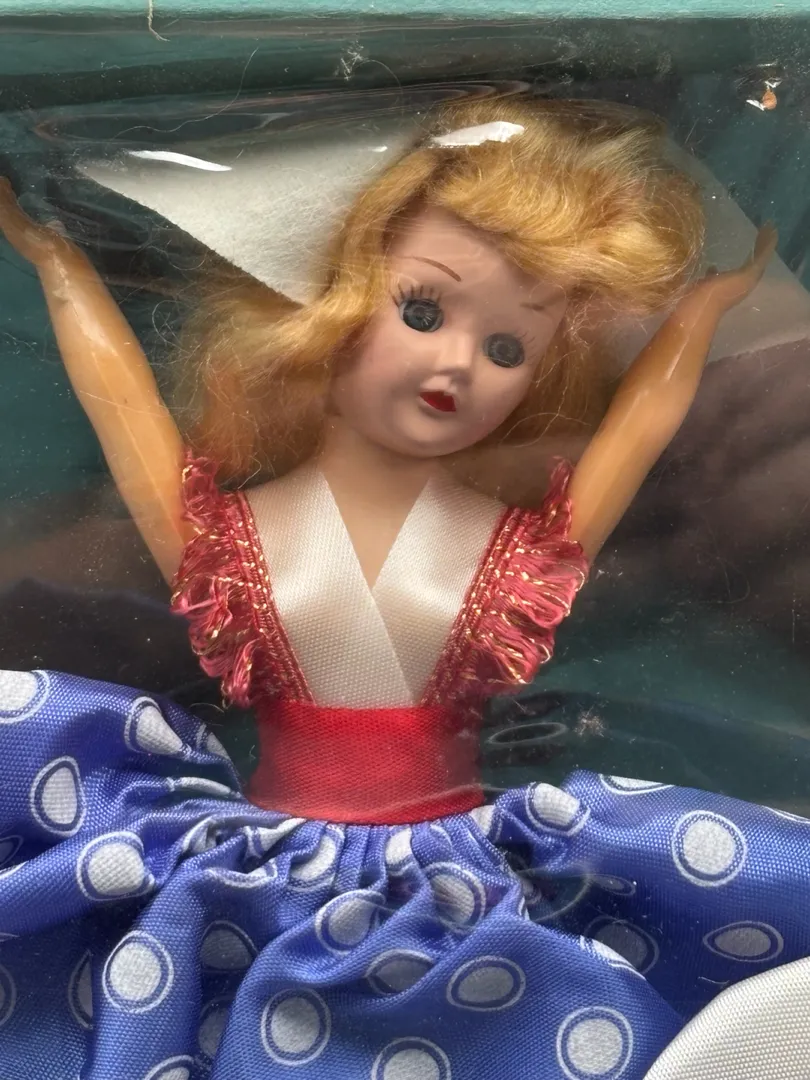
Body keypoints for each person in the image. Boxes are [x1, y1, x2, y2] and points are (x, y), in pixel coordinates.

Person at [0, 96, 801, 1080]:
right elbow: (122, 407)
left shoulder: (513, 550)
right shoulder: (235, 542)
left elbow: (637, 428)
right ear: (334, 300)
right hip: (264, 882)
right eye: (422, 311)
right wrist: (59, 265)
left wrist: (704, 313)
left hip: (457, 893)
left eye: (508, 348)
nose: (458, 364)